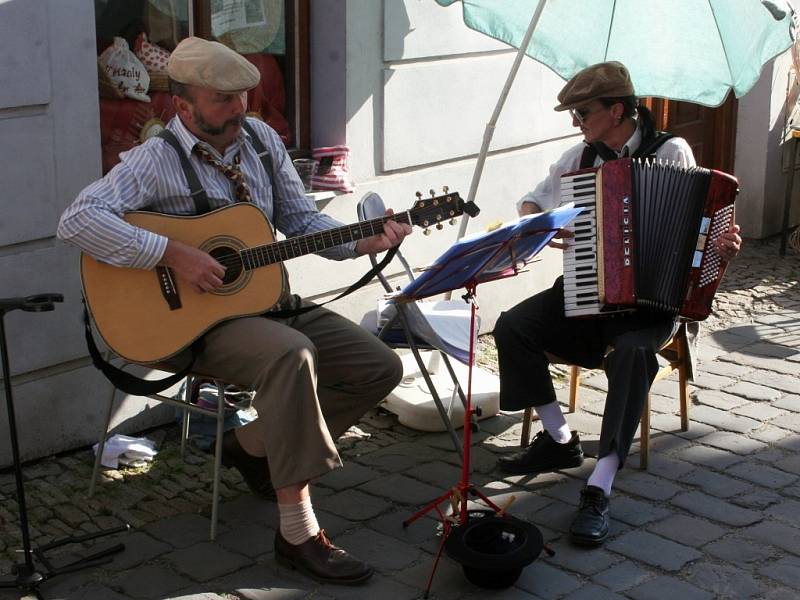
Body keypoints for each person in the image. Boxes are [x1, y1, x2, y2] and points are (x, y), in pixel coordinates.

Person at [58, 37, 412, 584]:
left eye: (243, 96)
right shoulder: (155, 159)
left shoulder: (263, 142)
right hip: (192, 324)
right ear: (183, 106)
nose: (239, 108)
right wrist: (175, 253)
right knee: (291, 356)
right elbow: (78, 220)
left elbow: (301, 220)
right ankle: (298, 533)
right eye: (222, 100)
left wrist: (363, 241)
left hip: (268, 304)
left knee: (379, 367)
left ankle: (252, 448)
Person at [493, 62, 742, 546]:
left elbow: (699, 226)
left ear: (617, 109)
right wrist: (548, 226)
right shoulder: (577, 158)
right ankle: (561, 440)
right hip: (588, 291)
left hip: (652, 306)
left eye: (582, 111)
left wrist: (720, 249)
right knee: (512, 326)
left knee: (633, 353)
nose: (574, 121)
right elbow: (530, 203)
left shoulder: (671, 150)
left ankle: (601, 482)